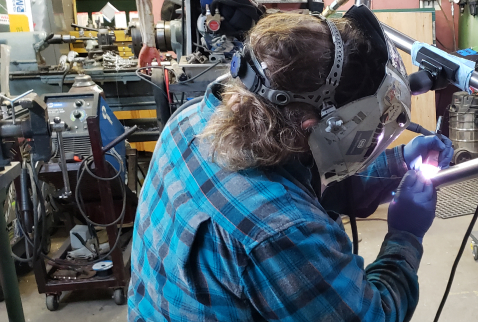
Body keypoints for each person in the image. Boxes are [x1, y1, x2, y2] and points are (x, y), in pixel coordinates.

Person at [128, 5, 453, 321]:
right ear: (315, 125)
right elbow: (373, 316)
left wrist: (397, 163)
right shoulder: (282, 228)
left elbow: (302, 179)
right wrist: (405, 235)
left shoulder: (191, 119)